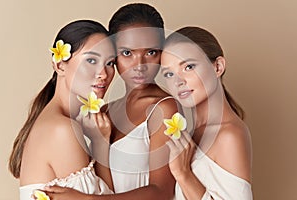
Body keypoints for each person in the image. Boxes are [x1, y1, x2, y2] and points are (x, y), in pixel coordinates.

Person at [44, 3, 178, 200]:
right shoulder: (105, 110)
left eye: (151, 52)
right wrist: (100, 142)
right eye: (127, 53)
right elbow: (103, 185)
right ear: (113, 55)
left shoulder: (164, 108)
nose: (139, 66)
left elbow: (162, 192)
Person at [8, 19, 116, 199]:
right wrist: (101, 143)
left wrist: (99, 142)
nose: (103, 74)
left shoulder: (57, 120)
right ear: (60, 65)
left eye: (110, 63)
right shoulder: (62, 130)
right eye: (91, 60)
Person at [160, 26, 253, 199]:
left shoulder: (230, 135)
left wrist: (183, 174)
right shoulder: (188, 134)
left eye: (188, 67)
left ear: (218, 67)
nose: (178, 81)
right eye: (169, 74)